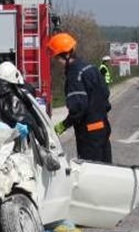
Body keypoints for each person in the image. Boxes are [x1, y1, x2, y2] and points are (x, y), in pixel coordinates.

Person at [48, 33, 112, 163]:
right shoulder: (91, 67)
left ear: (65, 55)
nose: (56, 62)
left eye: (56, 58)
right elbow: (105, 94)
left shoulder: (74, 74)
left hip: (89, 135)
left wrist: (62, 126)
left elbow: (78, 107)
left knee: (90, 174)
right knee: (105, 171)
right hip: (103, 129)